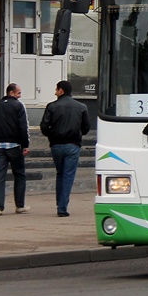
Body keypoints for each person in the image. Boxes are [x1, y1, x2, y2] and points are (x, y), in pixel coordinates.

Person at [40, 80, 91, 217]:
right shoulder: (81, 107)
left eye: (56, 89)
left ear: (61, 91)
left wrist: (52, 135)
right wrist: (77, 134)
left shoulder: (52, 106)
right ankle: (62, 207)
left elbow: (44, 127)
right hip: (73, 144)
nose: (55, 92)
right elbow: (86, 127)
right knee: (68, 175)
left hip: (56, 144)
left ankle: (60, 203)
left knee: (60, 173)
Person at [0, 82, 30, 216]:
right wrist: (25, 144)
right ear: (11, 93)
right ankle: (19, 205)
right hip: (14, 146)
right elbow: (23, 127)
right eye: (19, 93)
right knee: (19, 175)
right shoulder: (18, 106)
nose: (20, 96)